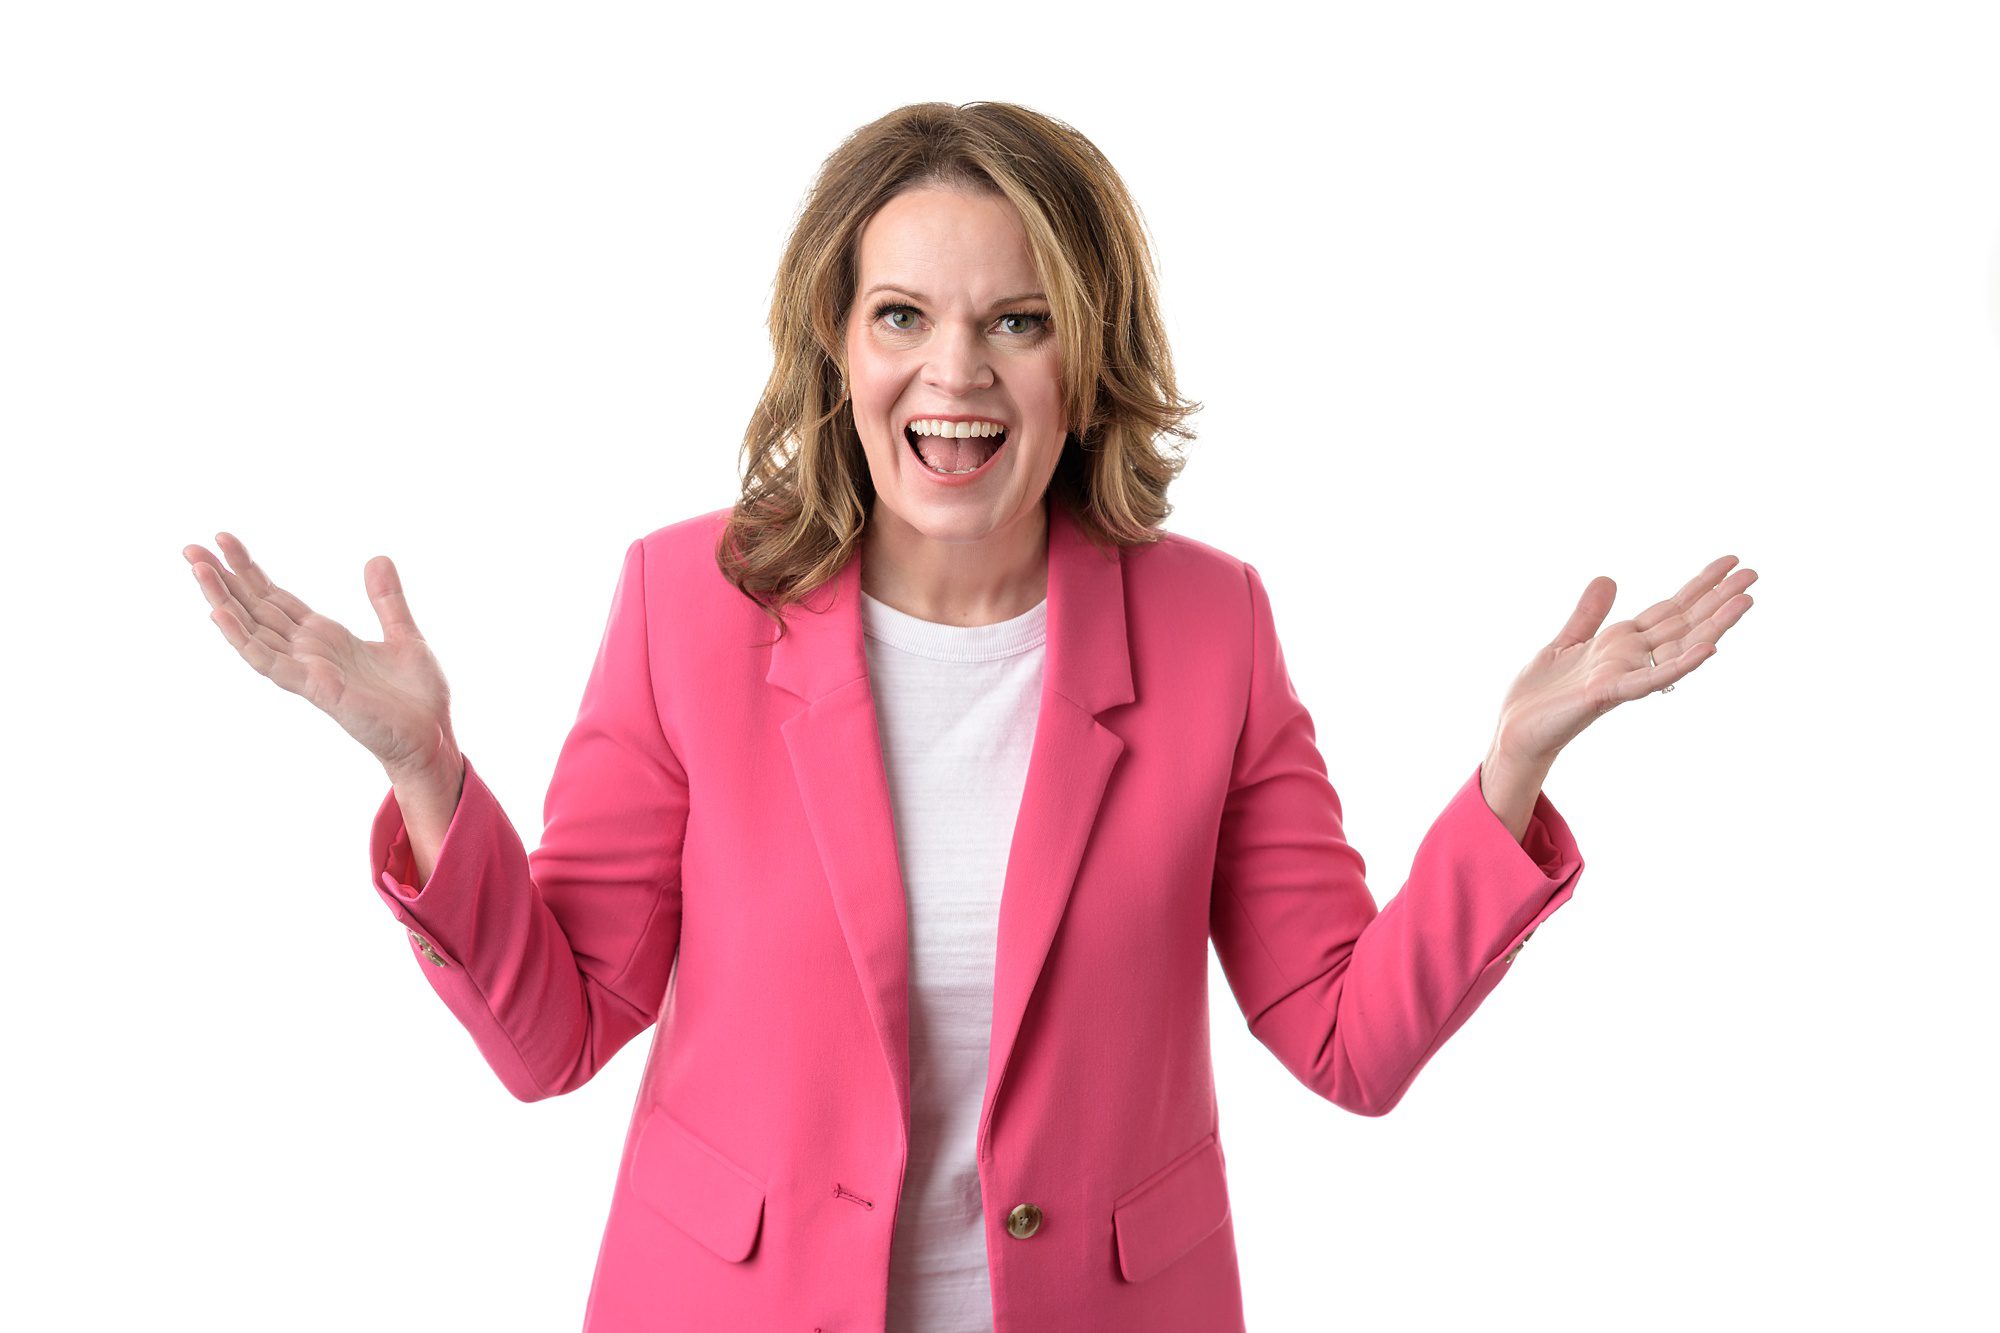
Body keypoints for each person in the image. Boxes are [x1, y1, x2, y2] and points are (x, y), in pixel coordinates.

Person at [183, 101, 1755, 1333]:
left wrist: (1511, 771)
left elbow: (1347, 1039)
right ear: (835, 341)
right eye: (900, 315)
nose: (956, 372)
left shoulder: (1211, 626)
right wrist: (427, 773)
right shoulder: (685, 604)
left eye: (1018, 319)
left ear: (1091, 351)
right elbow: (558, 1032)